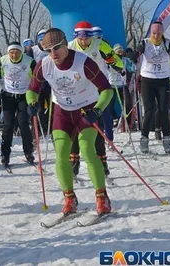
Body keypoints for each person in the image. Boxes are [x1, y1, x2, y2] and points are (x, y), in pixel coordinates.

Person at [26, 28, 113, 215]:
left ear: (65, 44)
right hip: (62, 112)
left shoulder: (84, 62)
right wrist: (32, 102)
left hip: (85, 109)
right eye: (48, 50)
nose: (53, 53)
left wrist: (97, 110)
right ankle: (70, 199)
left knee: (88, 150)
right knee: (61, 155)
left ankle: (102, 198)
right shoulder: (44, 65)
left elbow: (107, 90)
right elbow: (32, 89)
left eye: (56, 48)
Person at [68, 21, 123, 177]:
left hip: (98, 90)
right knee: (76, 125)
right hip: (77, 90)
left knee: (97, 125)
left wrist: (112, 60)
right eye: (81, 38)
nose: (84, 41)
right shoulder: (70, 46)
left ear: (91, 36)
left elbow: (118, 64)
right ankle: (74, 160)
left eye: (87, 38)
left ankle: (102, 161)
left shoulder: (100, 45)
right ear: (76, 36)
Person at [0, 41, 36, 166]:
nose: (14, 55)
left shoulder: (29, 61)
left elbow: (37, 79)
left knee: (23, 123)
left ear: (21, 52)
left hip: (24, 95)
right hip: (8, 96)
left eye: (16, 52)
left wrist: (36, 96)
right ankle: (5, 154)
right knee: (8, 125)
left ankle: (28, 151)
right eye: (11, 52)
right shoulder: (2, 61)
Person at [137, 21, 170, 153]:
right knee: (149, 110)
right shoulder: (145, 42)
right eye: (154, 33)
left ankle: (166, 140)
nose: (156, 35)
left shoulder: (167, 43)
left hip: (163, 80)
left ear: (162, 32)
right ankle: (144, 139)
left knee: (163, 110)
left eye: (159, 33)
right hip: (148, 80)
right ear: (151, 32)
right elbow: (139, 50)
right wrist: (136, 52)